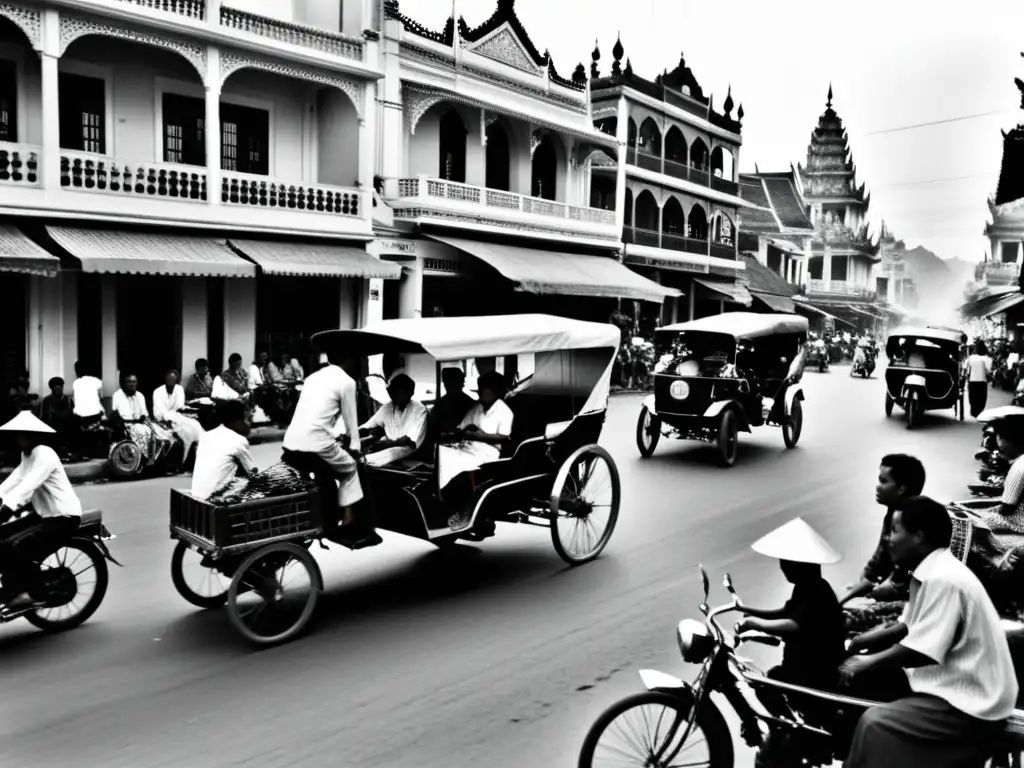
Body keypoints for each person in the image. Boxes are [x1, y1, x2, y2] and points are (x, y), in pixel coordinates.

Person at [841, 496, 1018, 768]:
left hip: (973, 700)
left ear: (919, 536)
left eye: (895, 531)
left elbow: (921, 648)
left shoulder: (943, 579)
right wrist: (860, 642)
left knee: (875, 724)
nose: (889, 539)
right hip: (956, 681)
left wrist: (865, 662)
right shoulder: (929, 572)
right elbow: (908, 625)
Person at [736, 517, 845, 768]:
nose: (782, 567)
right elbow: (784, 613)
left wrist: (756, 624)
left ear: (801, 565)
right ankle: (789, 730)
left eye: (787, 562)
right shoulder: (804, 588)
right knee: (768, 683)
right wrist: (747, 610)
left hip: (815, 671)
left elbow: (794, 626)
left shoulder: (817, 591)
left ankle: (798, 734)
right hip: (800, 666)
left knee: (771, 684)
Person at [282, 354, 379, 547]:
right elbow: (352, 425)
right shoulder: (347, 382)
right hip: (316, 443)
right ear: (351, 360)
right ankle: (348, 521)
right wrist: (356, 450)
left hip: (292, 440)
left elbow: (316, 414)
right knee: (351, 469)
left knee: (327, 473)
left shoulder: (312, 378)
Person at [0, 412, 82, 611]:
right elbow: (13, 481)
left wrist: (5, 510)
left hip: (63, 517)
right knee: (3, 537)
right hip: (43, 515)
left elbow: (26, 488)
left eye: (23, 433)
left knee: (17, 546)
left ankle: (34, 594)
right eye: (17, 434)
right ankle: (11, 588)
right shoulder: (27, 455)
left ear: (33, 434)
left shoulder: (44, 454)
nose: (19, 438)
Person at [840, 454, 926, 606]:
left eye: (884, 481)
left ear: (901, 489)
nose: (878, 486)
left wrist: (849, 598)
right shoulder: (893, 515)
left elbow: (900, 584)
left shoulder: (912, 523)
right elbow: (877, 567)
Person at [438, 370, 514, 491]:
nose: (479, 392)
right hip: (467, 448)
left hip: (486, 454)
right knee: (439, 452)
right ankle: (442, 491)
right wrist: (462, 432)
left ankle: (447, 493)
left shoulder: (504, 411)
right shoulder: (477, 407)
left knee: (449, 461)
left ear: (494, 391)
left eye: (482, 388)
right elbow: (461, 428)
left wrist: (480, 436)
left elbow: (505, 438)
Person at [190, 400, 258, 501]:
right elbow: (253, 473)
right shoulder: (238, 440)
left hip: (197, 495)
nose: (249, 425)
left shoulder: (206, 436)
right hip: (214, 498)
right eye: (247, 419)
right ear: (237, 421)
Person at [358, 374, 428, 468]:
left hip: (407, 449)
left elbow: (409, 441)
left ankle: (362, 461)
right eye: (391, 392)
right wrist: (354, 433)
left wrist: (389, 443)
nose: (391, 395)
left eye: (396, 392)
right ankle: (361, 461)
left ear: (409, 393)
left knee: (391, 452)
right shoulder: (388, 406)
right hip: (389, 445)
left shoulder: (419, 410)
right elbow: (368, 425)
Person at [112, 374, 175, 466]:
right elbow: (114, 413)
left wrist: (153, 425)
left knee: (163, 434)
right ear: (124, 384)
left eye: (134, 382)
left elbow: (145, 414)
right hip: (126, 425)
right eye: (129, 382)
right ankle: (145, 460)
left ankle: (157, 460)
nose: (132, 384)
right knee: (142, 433)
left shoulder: (140, 396)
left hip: (141, 423)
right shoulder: (117, 395)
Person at [152, 369, 204, 460]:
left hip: (177, 416)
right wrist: (170, 420)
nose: (171, 382)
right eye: (169, 380)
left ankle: (195, 456)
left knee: (196, 426)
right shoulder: (157, 392)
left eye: (173, 380)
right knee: (185, 432)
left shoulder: (179, 389)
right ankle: (182, 460)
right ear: (165, 380)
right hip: (162, 419)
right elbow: (160, 411)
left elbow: (180, 406)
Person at [40, 377, 77, 459]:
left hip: (66, 429)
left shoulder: (68, 400)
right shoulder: (46, 401)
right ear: (51, 388)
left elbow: (73, 416)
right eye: (56, 388)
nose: (58, 390)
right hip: (52, 430)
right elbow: (42, 418)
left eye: (60, 387)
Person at [432, 368, 476, 435]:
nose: (447, 386)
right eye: (446, 383)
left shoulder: (470, 404)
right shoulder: (439, 404)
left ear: (461, 383)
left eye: (452, 383)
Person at [967, 341, 993, 418]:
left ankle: (973, 412)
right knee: (981, 398)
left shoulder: (971, 357)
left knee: (973, 397)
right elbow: (989, 370)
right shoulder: (987, 358)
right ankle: (979, 412)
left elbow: (968, 368)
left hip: (972, 380)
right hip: (982, 381)